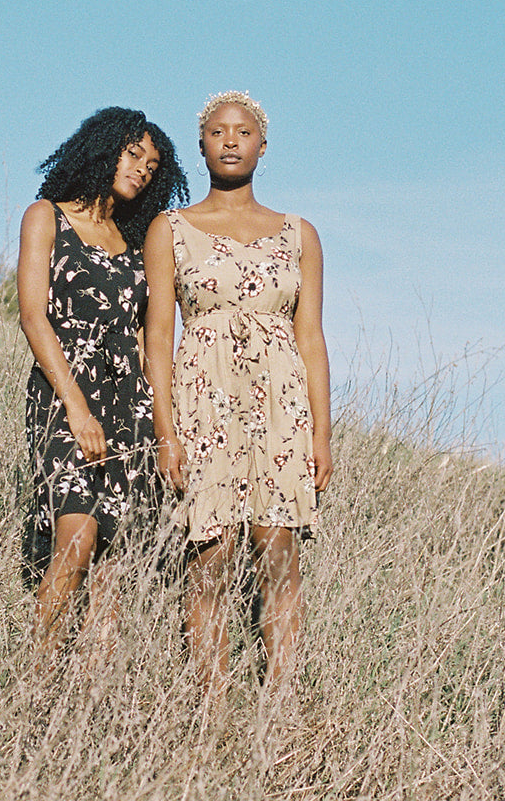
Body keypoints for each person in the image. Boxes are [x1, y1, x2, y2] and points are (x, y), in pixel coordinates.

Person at [143, 91, 333, 694]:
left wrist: (322, 435)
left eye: (243, 131)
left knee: (278, 550)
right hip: (203, 398)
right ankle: (210, 706)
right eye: (218, 131)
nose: (230, 140)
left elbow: (312, 340)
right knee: (212, 554)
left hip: (281, 406)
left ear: (262, 146)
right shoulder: (169, 228)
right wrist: (166, 432)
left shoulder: (298, 233)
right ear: (201, 146)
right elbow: (159, 338)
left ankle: (281, 700)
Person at [19, 107, 189, 650]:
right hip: (65, 390)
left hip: (129, 399)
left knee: (115, 559)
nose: (141, 169)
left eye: (152, 165)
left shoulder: (137, 242)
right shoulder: (46, 216)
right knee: (76, 539)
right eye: (132, 153)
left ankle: (89, 708)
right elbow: (32, 315)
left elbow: (147, 339)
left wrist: (166, 424)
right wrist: (74, 405)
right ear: (102, 148)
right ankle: (35, 687)